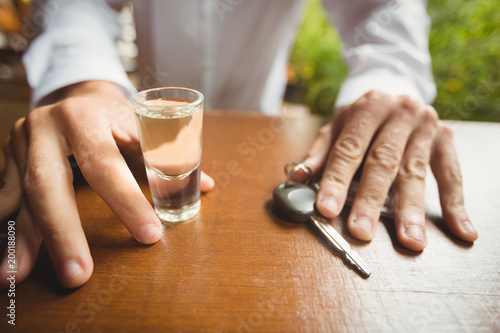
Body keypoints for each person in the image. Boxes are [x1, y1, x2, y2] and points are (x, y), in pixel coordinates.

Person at [0, 0, 478, 289]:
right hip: (134, 141)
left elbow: (380, 9)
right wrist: (85, 87)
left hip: (263, 136)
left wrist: (388, 81)